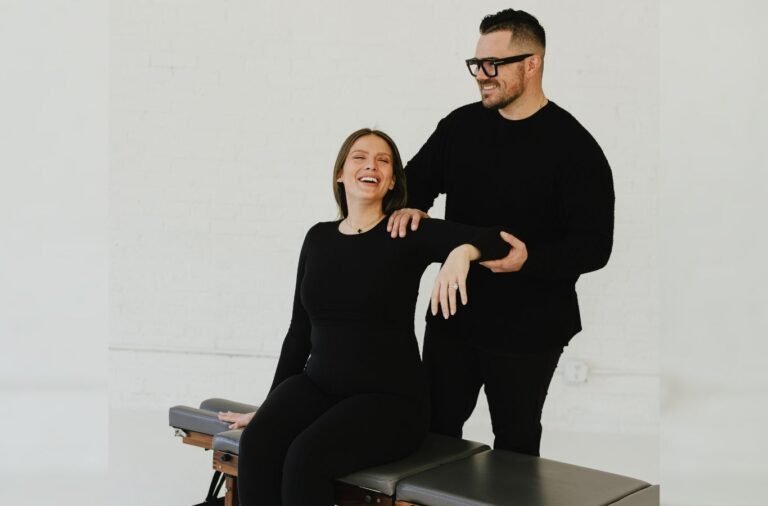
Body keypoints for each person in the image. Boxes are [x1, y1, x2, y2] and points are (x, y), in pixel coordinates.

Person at [217, 128, 509, 506]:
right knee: (258, 441)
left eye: (383, 161)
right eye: (360, 157)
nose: (371, 165)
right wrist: (271, 409)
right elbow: (299, 331)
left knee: (305, 457)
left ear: (392, 181)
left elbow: (499, 240)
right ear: (341, 173)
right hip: (319, 387)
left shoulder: (405, 230)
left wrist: (462, 253)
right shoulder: (318, 238)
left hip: (390, 401)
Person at [387, 8, 615, 457]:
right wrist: (410, 207)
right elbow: (411, 187)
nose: (481, 75)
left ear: (532, 64)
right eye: (476, 64)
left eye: (493, 64)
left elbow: (594, 246)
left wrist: (530, 259)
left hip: (530, 325)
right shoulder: (460, 127)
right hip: (455, 311)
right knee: (432, 431)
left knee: (515, 442)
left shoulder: (576, 149)